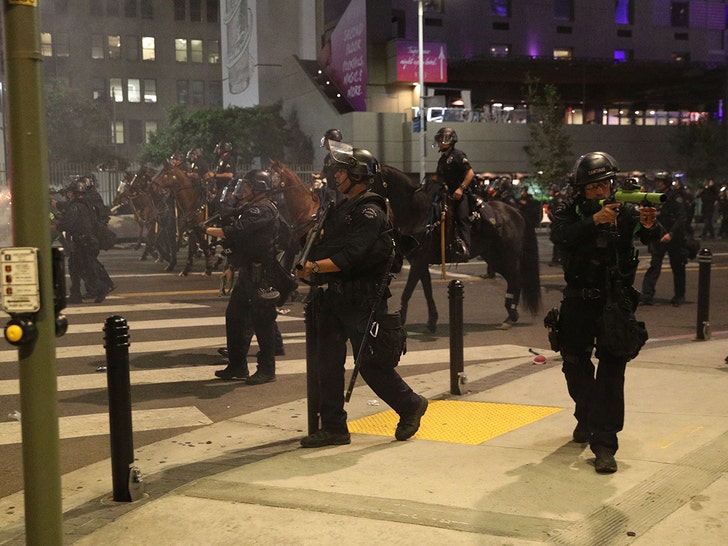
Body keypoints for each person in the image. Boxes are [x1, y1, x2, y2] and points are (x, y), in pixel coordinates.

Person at [296, 145, 428, 448]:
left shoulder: (370, 211)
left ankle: (410, 405)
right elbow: (324, 246)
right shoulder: (342, 208)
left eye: (341, 171)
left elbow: (352, 256)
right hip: (333, 298)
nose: (336, 175)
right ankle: (333, 428)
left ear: (358, 175)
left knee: (371, 365)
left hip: (362, 301)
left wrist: (314, 266)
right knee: (326, 364)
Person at [550, 151, 661, 474]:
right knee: (574, 365)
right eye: (594, 187)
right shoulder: (567, 209)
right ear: (581, 189)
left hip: (615, 302)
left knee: (612, 373)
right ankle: (585, 415)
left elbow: (652, 235)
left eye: (606, 185)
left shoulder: (624, 211)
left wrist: (650, 223)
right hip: (578, 301)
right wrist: (592, 222)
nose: (601, 192)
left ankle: (605, 445)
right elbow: (560, 236)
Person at [205, 169, 281, 385]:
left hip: (261, 273)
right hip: (247, 271)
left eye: (247, 186)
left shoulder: (262, 209)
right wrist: (231, 266)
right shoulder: (251, 208)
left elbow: (236, 232)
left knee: (262, 322)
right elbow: (242, 244)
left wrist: (207, 229)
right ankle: (237, 366)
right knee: (235, 317)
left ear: (258, 188)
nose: (243, 190)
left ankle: (267, 369)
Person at [56, 180, 112, 304]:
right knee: (76, 268)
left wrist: (57, 225)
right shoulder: (87, 205)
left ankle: (100, 288)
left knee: (84, 269)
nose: (68, 195)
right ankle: (76, 294)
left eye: (70, 192)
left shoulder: (75, 206)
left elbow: (68, 224)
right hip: (88, 242)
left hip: (82, 243)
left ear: (74, 193)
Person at [641, 172, 689, 307]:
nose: (658, 183)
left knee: (677, 267)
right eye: (657, 181)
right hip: (659, 236)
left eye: (660, 181)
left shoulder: (675, 196)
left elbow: (681, 217)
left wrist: (671, 233)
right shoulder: (655, 196)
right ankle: (647, 294)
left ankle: (679, 295)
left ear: (666, 182)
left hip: (674, 238)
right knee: (654, 265)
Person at [433, 127, 474, 257]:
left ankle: (465, 248)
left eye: (442, 140)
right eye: (438, 140)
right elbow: (438, 177)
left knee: (462, 217)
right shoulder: (442, 160)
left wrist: (461, 188)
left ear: (450, 141)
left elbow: (470, 173)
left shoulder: (458, 155)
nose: (440, 142)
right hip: (447, 194)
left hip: (460, 194)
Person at [311, 128, 346, 211]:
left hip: (341, 189)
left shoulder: (344, 156)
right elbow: (324, 172)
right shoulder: (328, 157)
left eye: (326, 140)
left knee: (341, 209)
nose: (325, 143)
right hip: (330, 189)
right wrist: (317, 177)